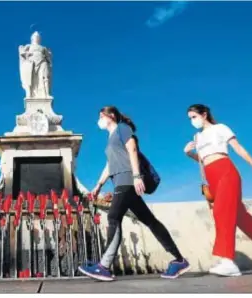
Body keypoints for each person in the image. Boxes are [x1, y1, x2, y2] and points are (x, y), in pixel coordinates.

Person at [78, 106, 190, 281]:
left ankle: (104, 266)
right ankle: (179, 260)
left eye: (101, 115)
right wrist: (98, 185)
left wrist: (137, 176)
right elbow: (110, 165)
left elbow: (132, 150)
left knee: (114, 217)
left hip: (128, 180)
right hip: (120, 182)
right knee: (150, 221)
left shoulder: (122, 128)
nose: (99, 119)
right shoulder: (110, 139)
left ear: (111, 116)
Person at [183, 104, 252, 277]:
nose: (192, 121)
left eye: (194, 117)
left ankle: (228, 261)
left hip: (226, 172)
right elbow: (204, 160)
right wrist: (189, 153)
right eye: (190, 118)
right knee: (242, 220)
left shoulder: (220, 128)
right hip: (211, 176)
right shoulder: (197, 136)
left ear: (204, 114)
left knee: (220, 212)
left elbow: (238, 148)